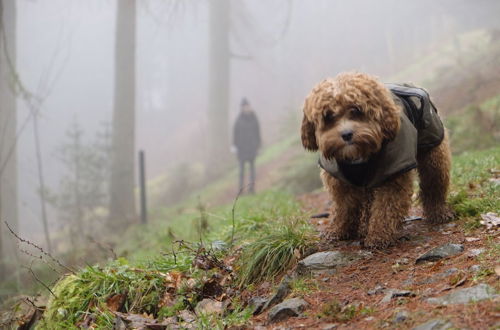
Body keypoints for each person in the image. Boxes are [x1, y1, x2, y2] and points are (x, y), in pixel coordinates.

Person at [233, 98, 261, 194]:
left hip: (252, 148)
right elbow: (235, 134)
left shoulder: (254, 118)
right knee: (241, 171)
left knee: (252, 169)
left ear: (249, 106)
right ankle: (241, 189)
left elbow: (258, 132)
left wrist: (258, 145)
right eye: (244, 106)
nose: (246, 108)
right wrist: (234, 147)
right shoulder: (238, 120)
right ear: (241, 108)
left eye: (247, 106)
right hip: (241, 149)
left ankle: (251, 189)